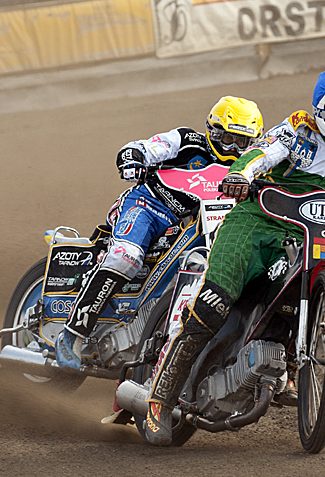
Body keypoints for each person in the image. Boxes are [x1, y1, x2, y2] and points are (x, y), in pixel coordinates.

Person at [139, 66, 325, 445]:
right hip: (254, 226)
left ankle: (288, 363)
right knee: (213, 304)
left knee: (296, 294)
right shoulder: (298, 130)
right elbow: (260, 153)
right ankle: (159, 399)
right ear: (324, 115)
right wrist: (240, 174)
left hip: (308, 236)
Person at [54, 96, 264, 369]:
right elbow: (141, 148)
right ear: (213, 131)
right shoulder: (186, 140)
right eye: (228, 138)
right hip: (148, 206)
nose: (234, 147)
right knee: (126, 257)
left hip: (192, 224)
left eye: (242, 142)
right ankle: (72, 334)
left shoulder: (249, 167)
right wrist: (134, 158)